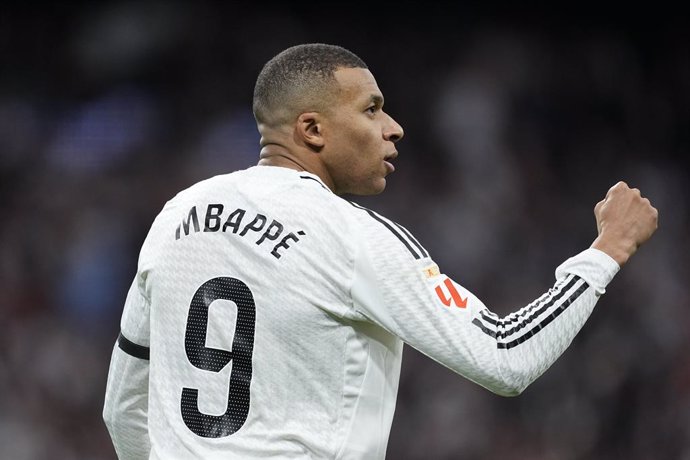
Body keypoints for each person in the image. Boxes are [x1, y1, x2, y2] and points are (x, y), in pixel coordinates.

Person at [102, 43, 658, 459]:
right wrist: (607, 250)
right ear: (313, 129)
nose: (393, 128)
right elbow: (506, 357)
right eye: (371, 109)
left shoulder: (177, 216)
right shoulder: (350, 235)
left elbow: (123, 410)